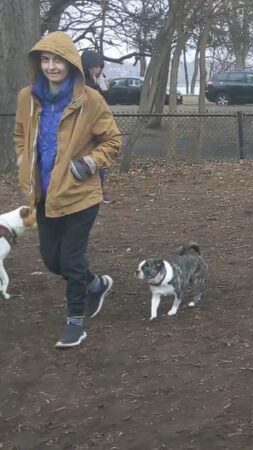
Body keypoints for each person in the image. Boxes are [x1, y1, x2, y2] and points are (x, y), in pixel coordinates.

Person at [14, 32, 120, 347]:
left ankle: (75, 323)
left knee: (71, 260)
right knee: (52, 260)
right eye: (45, 60)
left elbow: (113, 140)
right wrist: (23, 158)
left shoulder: (90, 100)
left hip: (80, 194)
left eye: (58, 60)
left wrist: (89, 162)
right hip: (44, 194)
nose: (51, 66)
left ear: (70, 63)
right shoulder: (27, 97)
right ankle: (96, 284)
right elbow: (20, 133)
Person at [81, 49, 113, 204]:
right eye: (95, 66)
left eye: (99, 66)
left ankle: (98, 189)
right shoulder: (82, 83)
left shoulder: (95, 81)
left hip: (96, 126)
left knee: (98, 158)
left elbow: (103, 104)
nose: (98, 69)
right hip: (84, 126)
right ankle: (93, 191)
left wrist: (103, 86)